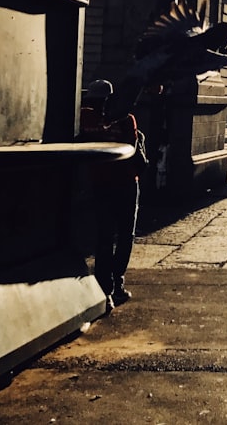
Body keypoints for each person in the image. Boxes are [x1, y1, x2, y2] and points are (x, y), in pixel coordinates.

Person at [78, 79, 140, 313]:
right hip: (125, 183)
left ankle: (106, 288)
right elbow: (132, 147)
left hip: (99, 183)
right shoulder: (126, 118)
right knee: (125, 234)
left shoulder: (83, 118)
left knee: (104, 236)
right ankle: (117, 284)